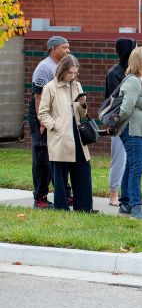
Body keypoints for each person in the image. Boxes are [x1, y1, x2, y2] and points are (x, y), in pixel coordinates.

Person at [37, 54, 92, 213]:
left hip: (78, 136)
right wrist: (55, 126)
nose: (72, 76)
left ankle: (84, 208)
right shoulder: (50, 87)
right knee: (60, 175)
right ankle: (61, 208)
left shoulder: (77, 85)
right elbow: (43, 113)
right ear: (62, 70)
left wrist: (83, 104)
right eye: (70, 72)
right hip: (61, 137)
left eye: (75, 73)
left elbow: (81, 114)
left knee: (83, 171)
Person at [28, 35, 71, 208]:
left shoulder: (60, 66)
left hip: (55, 114)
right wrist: (42, 122)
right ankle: (40, 198)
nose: (68, 50)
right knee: (42, 157)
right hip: (41, 116)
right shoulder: (44, 68)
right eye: (64, 47)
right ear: (54, 49)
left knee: (58, 156)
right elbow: (38, 97)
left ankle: (64, 195)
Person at [115, 46, 142, 220]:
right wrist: (116, 125)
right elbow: (125, 109)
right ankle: (136, 206)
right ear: (141, 61)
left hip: (139, 131)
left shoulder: (141, 80)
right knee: (137, 168)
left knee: (131, 166)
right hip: (132, 131)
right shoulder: (133, 81)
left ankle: (125, 202)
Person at [104, 37, 135, 207]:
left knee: (132, 161)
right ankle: (113, 193)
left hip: (135, 124)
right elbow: (113, 101)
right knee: (119, 158)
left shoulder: (135, 73)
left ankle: (128, 194)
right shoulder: (114, 73)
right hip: (119, 123)